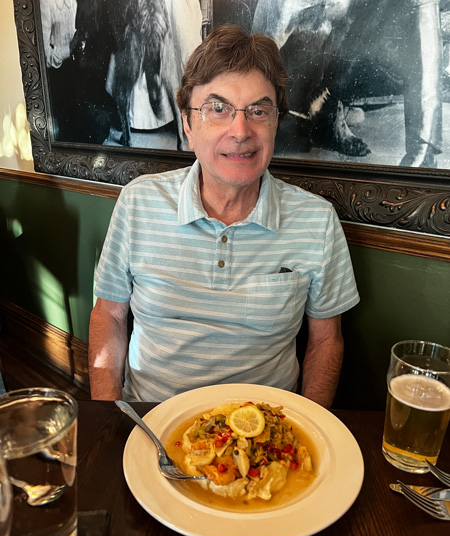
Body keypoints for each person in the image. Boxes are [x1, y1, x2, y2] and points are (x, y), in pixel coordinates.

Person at [88, 25, 359, 408]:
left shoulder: (317, 222)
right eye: (218, 109)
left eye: (258, 110)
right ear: (187, 123)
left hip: (266, 437)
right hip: (150, 426)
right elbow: (109, 316)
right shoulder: (137, 203)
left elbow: (326, 340)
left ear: (275, 122)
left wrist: (312, 426)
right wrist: (109, 415)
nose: (240, 130)